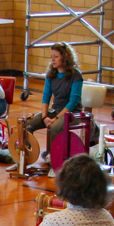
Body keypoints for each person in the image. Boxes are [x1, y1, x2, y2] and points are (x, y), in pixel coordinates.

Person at [22, 42, 84, 173]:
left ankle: (54, 161)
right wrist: (44, 116)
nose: (53, 59)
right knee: (27, 123)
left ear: (65, 58)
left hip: (72, 113)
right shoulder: (51, 74)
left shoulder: (76, 75)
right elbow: (46, 97)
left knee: (56, 127)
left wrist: (55, 119)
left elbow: (73, 102)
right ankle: (24, 157)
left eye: (56, 56)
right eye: (51, 56)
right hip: (55, 110)